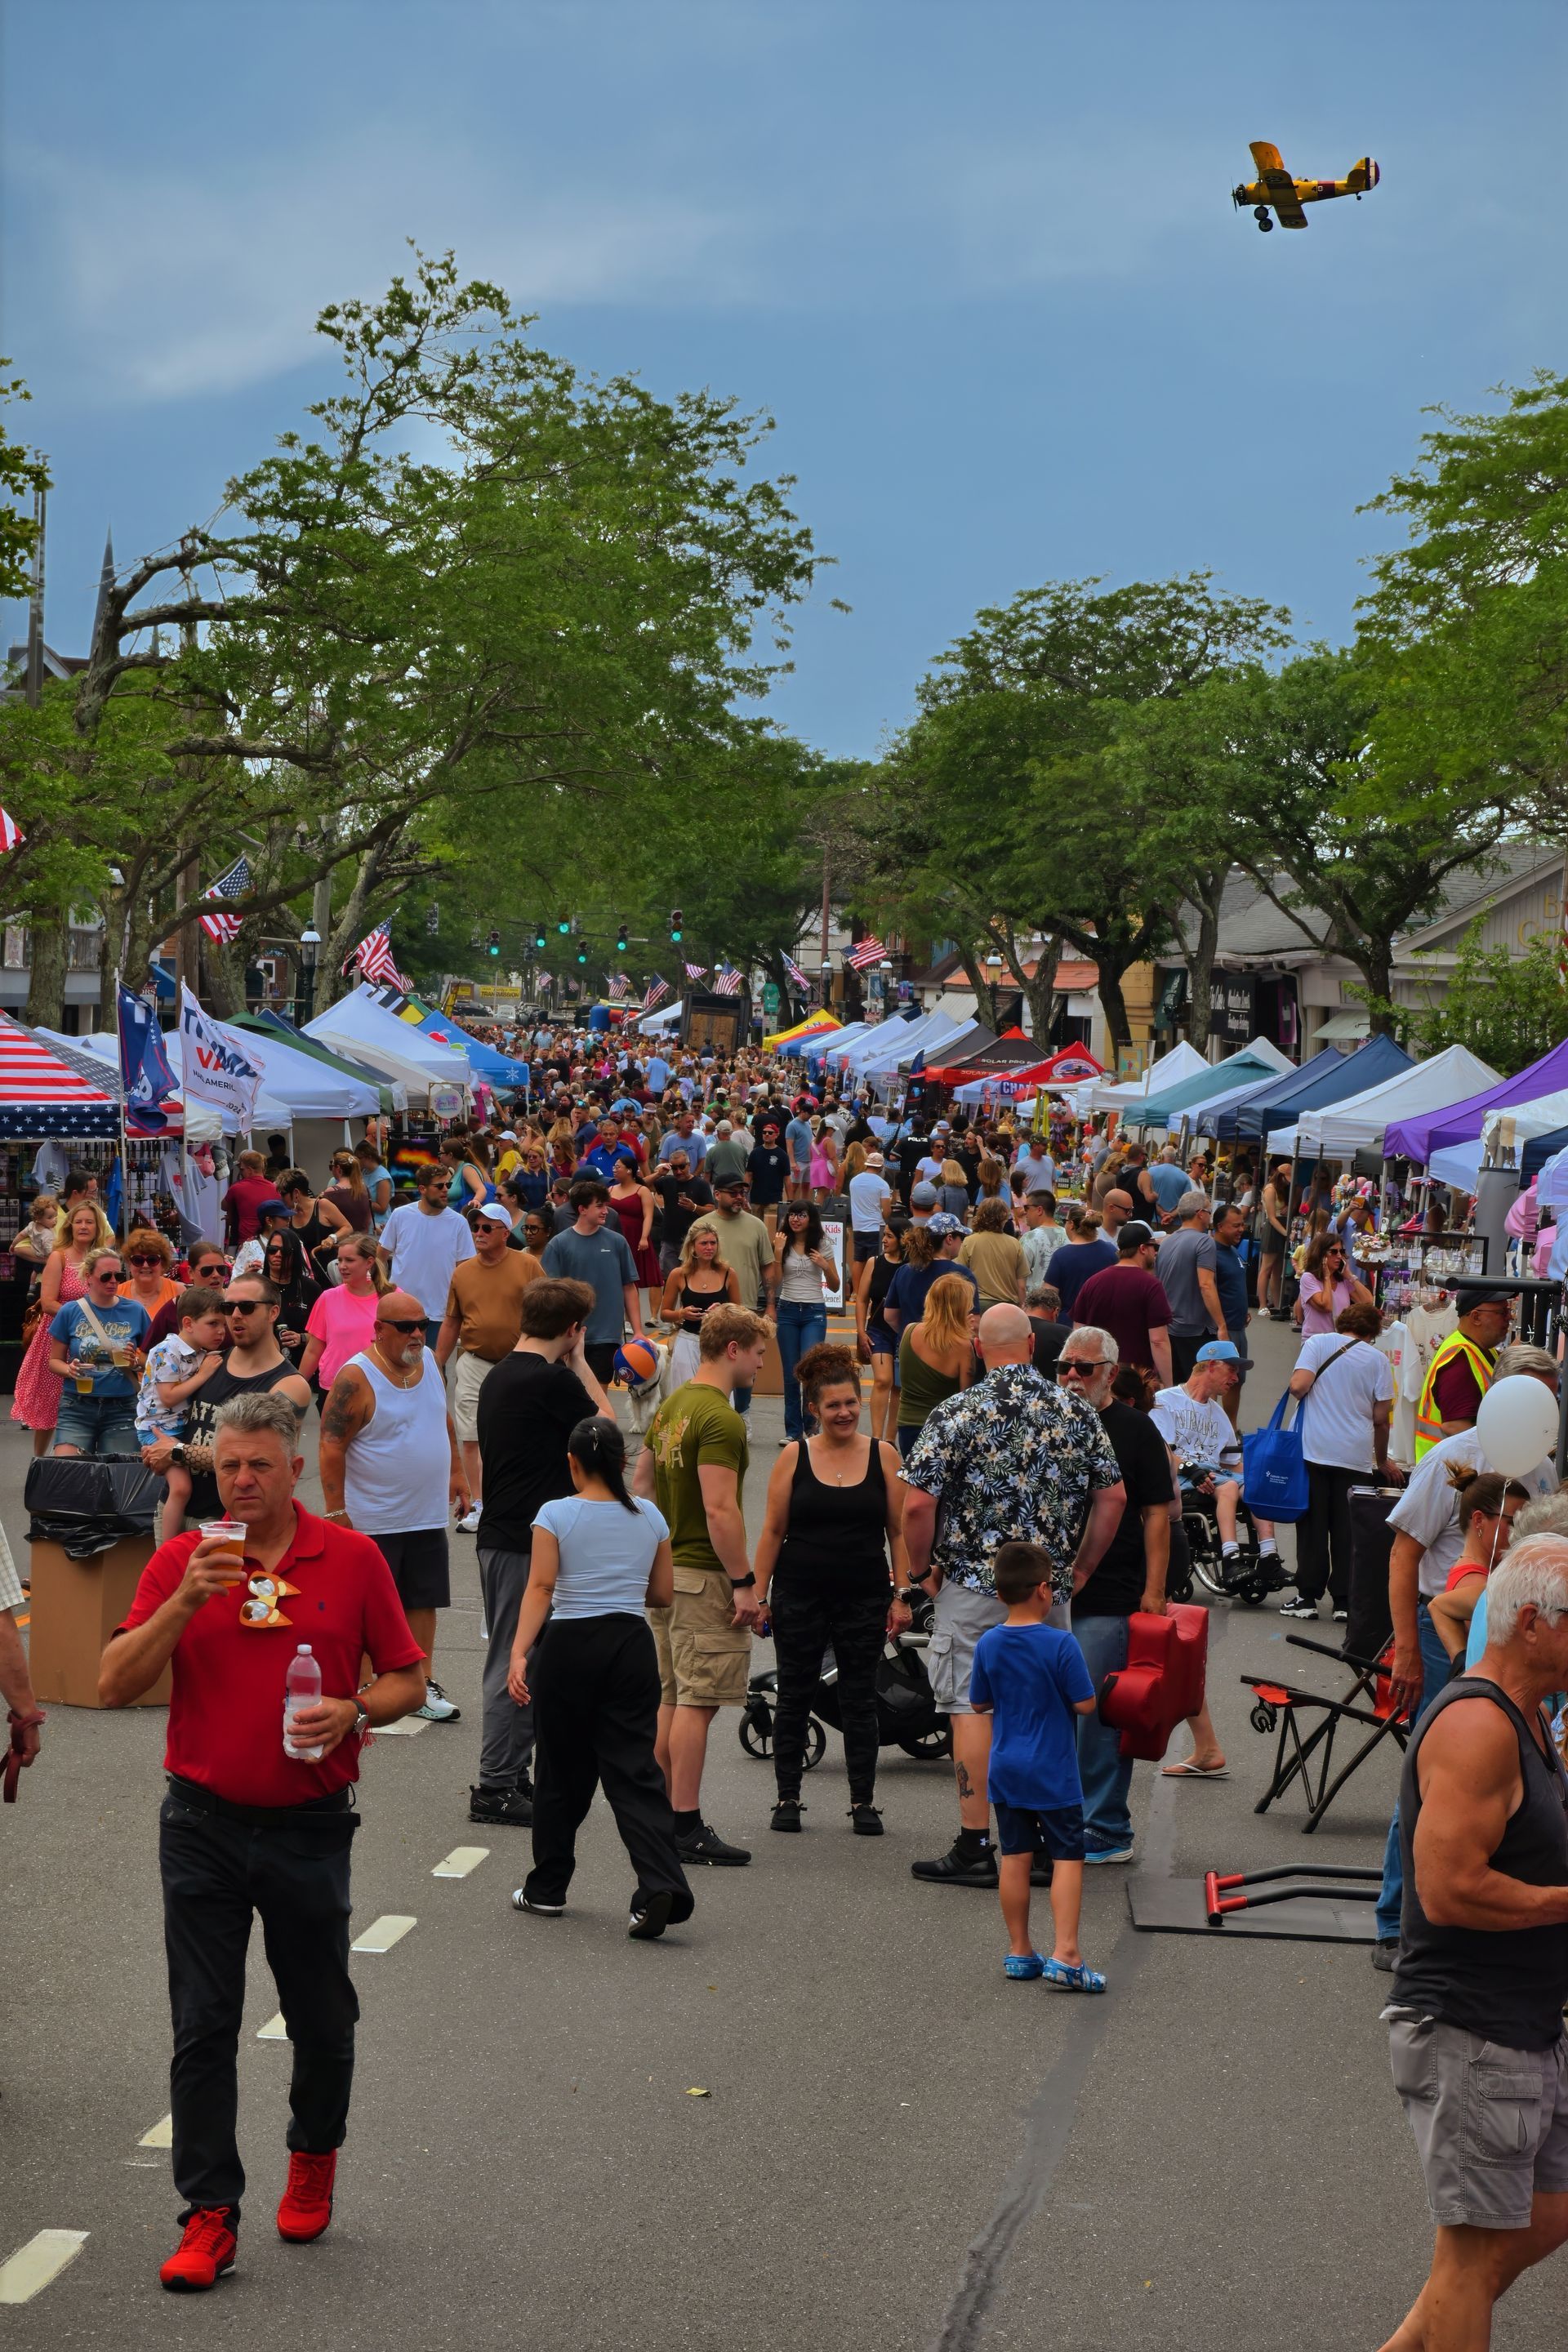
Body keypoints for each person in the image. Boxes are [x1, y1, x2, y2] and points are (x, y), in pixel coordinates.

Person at [99, 1390, 428, 2293]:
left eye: (258, 1467)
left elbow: (408, 1677)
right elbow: (113, 1681)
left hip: (310, 1829)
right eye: (228, 1467)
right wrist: (182, 1603)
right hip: (199, 1824)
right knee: (202, 2025)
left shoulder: (353, 1559)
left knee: (322, 2020)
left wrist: (354, 1709)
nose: (241, 1482)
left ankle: (314, 2150)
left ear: (294, 1467)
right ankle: (209, 2215)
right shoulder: (182, 1560)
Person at [1379, 1535, 1568, 2352]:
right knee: (1468, 2260)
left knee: (1534, 2220)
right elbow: (1448, 1890)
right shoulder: (1475, 1725)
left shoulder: (1532, 1717)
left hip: (1526, 2024)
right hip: (1469, 2028)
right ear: (1532, 1623)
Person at [902, 1303, 1125, 1889]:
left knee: (969, 1707)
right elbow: (1113, 1497)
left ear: (979, 1346)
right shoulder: (1075, 1410)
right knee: (1048, 1708)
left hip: (974, 1584)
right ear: (1030, 1345)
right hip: (1046, 1589)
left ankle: (976, 1842)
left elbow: (918, 1503)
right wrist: (1080, 1569)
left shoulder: (958, 1411)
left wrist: (921, 1569)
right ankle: (1050, 1844)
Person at [1370, 1342, 1562, 1970]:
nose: (1544, 1407)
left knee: (1522, 1777)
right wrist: (1408, 1648)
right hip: (1454, 1613)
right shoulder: (1451, 1460)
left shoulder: (1542, 1469)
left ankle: (1496, 1892)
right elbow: (1403, 1555)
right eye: (1532, 1392)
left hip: (1526, 1628)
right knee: (1441, 1776)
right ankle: (1396, 1921)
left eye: (1550, 1396)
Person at [505, 1414, 693, 1936]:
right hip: (630, 1645)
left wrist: (520, 1654)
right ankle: (660, 1885)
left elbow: (541, 1589)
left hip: (569, 1646)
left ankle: (547, 1889)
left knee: (561, 1773)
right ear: (620, 1462)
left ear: (572, 1462)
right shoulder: (650, 1517)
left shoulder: (555, 1514)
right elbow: (660, 1595)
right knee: (635, 1771)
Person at [752, 1342, 911, 1836]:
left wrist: (901, 1595)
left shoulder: (884, 1455)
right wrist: (759, 1597)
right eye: (833, 1405)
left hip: (863, 1595)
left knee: (859, 1698)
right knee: (796, 1694)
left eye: (851, 1403)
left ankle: (863, 1802)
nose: (844, 1413)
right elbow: (772, 1531)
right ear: (814, 1409)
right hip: (798, 1593)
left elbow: (899, 1532)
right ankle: (787, 1799)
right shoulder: (794, 1457)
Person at [633, 1303, 770, 1869]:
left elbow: (641, 1485)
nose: (763, 1364)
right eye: (759, 1353)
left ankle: (664, 1813)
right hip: (704, 1574)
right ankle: (685, 1822)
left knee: (672, 1695)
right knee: (700, 1699)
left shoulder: (671, 1407)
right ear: (733, 1349)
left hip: (666, 1572)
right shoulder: (721, 1417)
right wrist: (744, 1582)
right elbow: (720, 1510)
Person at [469, 1277, 608, 1829]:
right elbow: (605, 1431)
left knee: (527, 1656)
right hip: (524, 1541)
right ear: (573, 1328)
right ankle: (496, 1786)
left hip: (509, 1535)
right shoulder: (550, 1380)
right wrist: (579, 1361)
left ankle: (510, 1773)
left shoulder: (503, 1373)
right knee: (516, 1657)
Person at [317, 1289, 470, 1724]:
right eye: (406, 1327)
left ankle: (421, 1685)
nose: (417, 1334)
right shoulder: (357, 1377)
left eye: (422, 1324)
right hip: (373, 1519)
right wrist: (335, 1512)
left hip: (424, 1514)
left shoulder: (429, 1366)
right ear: (379, 1330)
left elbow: (442, 1419)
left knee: (423, 1601)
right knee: (369, 1608)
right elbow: (330, 1445)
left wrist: (458, 1473)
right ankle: (366, 1690)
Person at [1056, 1327, 1176, 1864]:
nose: (1072, 1377)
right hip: (1049, 1596)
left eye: (1084, 1367)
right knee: (1054, 1714)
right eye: (1065, 1366)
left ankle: (1106, 1827)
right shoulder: (1049, 1425)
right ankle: (1065, 1819)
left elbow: (1157, 1514)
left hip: (1111, 1595)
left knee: (1098, 1716)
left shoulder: (1133, 1429)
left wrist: (1154, 1590)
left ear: (1110, 1371)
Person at [970, 1540, 1104, 1989]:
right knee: (1067, 1856)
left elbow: (979, 1702)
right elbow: (1085, 1704)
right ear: (1045, 1590)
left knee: (1014, 1857)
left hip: (1006, 1768)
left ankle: (1020, 1951)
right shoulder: (1061, 1644)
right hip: (1053, 1770)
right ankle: (1066, 1952)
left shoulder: (989, 1642)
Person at [1281, 1301, 1400, 1623]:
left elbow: (1298, 1386)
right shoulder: (1378, 1361)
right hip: (1354, 1455)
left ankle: (1307, 1597)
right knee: (1347, 1531)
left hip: (1313, 1449)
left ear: (1341, 1323)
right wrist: (1381, 1460)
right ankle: (1344, 1602)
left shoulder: (1318, 1343)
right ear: (1372, 1334)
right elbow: (1380, 1418)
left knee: (1312, 1526)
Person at [434, 1203, 543, 1530]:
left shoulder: (528, 1266)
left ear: (505, 1233)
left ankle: (523, 1499)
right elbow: (452, 1321)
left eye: (487, 1228)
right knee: (470, 1436)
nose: (478, 1234)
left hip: (520, 1363)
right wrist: (436, 1365)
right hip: (474, 1361)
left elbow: (546, 1311)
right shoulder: (462, 1272)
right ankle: (480, 1504)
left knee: (522, 1434)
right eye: (475, 1228)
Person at [11, 1198, 109, 1454]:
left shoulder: (103, 1259)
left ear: (98, 1227)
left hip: (94, 1339)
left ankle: (81, 1459)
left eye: (89, 1222)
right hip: (58, 1336)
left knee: (89, 1400)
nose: (84, 1226)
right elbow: (48, 1302)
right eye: (78, 1221)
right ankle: (40, 1461)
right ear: (70, 1226)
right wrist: (82, 1315)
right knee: (50, 1404)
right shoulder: (59, 1256)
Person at [1151, 1341, 1252, 1573]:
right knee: (1227, 1487)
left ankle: (1269, 1556)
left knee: (1256, 1489)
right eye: (1232, 1370)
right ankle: (1231, 1558)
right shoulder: (1165, 1401)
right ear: (1212, 1365)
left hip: (1215, 1474)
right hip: (1182, 1475)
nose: (1236, 1379)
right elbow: (1161, 1453)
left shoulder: (1219, 1414)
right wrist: (1190, 1468)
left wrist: (1259, 1477)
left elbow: (1231, 1463)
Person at [136, 1286, 229, 1536]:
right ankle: (168, 1550)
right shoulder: (165, 1352)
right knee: (181, 1489)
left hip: (180, 1429)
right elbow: (168, 1398)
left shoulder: (200, 1353)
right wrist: (205, 1374)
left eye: (223, 1323)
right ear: (188, 1323)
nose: (221, 1331)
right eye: (213, 1324)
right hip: (157, 1430)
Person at [49, 1242, 151, 1456]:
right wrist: (69, 1369)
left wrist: (136, 1361)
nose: (113, 1282)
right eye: (106, 1276)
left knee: (117, 1475)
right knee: (68, 1468)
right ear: (89, 1277)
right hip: (77, 1405)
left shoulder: (135, 1310)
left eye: (118, 1276)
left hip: (122, 1406)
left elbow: (153, 1358)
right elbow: (54, 1361)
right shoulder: (70, 1311)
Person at [540, 1179, 645, 1385]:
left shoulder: (617, 1242)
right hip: (568, 1337)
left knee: (599, 1398)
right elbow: (551, 1296)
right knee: (571, 1397)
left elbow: (629, 1287)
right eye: (599, 1206)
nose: (606, 1211)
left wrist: (638, 1331)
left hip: (607, 1337)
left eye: (606, 1205)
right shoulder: (558, 1245)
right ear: (582, 1209)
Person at [1426, 1468, 1529, 1662]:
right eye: (1514, 1521)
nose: (1521, 1531)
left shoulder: (1480, 1571)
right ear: (1479, 1520)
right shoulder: (1474, 1580)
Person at [379, 1161, 476, 1348]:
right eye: (439, 1186)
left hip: (440, 1313)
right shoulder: (400, 1215)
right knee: (398, 1367)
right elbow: (380, 1256)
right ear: (422, 1189)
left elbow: (466, 1270)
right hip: (400, 1309)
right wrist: (382, 1288)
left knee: (433, 1368)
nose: (445, 1190)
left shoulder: (459, 1223)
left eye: (448, 1185)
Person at [1414, 1287, 1517, 1458]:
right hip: (1451, 1474)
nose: (1510, 1317)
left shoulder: (1482, 1349)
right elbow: (1454, 1427)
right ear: (1476, 1317)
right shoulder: (1459, 1358)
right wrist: (1502, 1456)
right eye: (1502, 1312)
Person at [1071, 1218, 1173, 1383]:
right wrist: (1168, 1385)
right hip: (1135, 1379)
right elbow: (1158, 1341)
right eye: (1154, 1247)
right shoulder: (1151, 1286)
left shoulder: (1093, 1282)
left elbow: (1078, 1332)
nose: (1156, 1253)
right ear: (1142, 1248)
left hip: (1098, 1375)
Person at [772, 1200, 840, 1446]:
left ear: (811, 1218)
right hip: (788, 1309)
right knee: (791, 1374)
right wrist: (778, 1253)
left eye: (801, 1215)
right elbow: (775, 1282)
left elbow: (835, 1285)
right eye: (792, 1214)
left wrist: (824, 1266)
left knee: (809, 1372)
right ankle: (792, 1431)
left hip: (814, 1311)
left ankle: (812, 1428)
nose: (795, 1219)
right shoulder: (782, 1241)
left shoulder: (822, 1243)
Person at [896, 1272, 975, 1461]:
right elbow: (966, 1398)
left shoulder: (910, 1330)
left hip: (907, 1424)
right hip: (942, 1428)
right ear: (960, 1307)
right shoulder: (963, 1346)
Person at [299, 1234, 385, 1407]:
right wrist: (296, 1386)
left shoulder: (392, 1297)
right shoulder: (328, 1298)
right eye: (339, 1260)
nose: (342, 1266)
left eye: (350, 1260)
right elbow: (314, 1350)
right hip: (333, 1389)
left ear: (369, 1262)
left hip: (378, 1388)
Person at [658, 1223, 740, 1387]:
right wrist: (681, 1314)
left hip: (719, 1343)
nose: (709, 1247)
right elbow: (664, 1314)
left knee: (719, 1395)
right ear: (692, 1247)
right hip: (688, 1341)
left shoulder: (728, 1273)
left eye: (713, 1243)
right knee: (686, 1394)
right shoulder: (679, 1275)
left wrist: (723, 1311)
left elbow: (739, 1313)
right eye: (704, 1243)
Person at [1156, 1192, 1227, 1379]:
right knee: (1200, 1386)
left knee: (1177, 1387)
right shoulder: (1204, 1242)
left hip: (1170, 1327)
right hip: (1196, 1328)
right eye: (1209, 1211)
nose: (1210, 1215)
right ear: (1200, 1213)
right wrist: (1221, 1325)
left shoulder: (1166, 1242)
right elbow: (1206, 1285)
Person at [854, 1216, 907, 1444]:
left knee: (898, 1385)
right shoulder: (874, 1262)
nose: (884, 1240)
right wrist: (860, 1331)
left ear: (902, 1240)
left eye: (889, 1236)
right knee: (883, 1380)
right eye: (884, 1235)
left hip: (905, 1330)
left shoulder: (912, 1265)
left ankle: (889, 1439)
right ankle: (876, 1438)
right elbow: (861, 1299)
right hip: (878, 1329)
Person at [1294, 1227, 1374, 1339]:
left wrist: (1350, 1276)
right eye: (1333, 1251)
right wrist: (1326, 1277)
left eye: (1341, 1251)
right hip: (1315, 1342)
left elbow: (1368, 1302)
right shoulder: (1308, 1278)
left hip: (1339, 1343)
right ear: (1321, 1254)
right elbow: (1326, 1306)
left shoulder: (1344, 1280)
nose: (1339, 1256)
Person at [1045, 1204, 1116, 1317]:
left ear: (1071, 1224)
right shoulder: (1111, 1251)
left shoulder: (1061, 1256)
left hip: (1069, 1323)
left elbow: (1048, 1296)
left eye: (1065, 1221)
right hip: (1104, 1322)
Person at [958, 1197, 1027, 1312]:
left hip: (977, 1305)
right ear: (1004, 1219)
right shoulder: (1015, 1244)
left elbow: (959, 1277)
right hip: (1007, 1307)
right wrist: (1022, 1310)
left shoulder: (969, 1242)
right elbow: (1021, 1286)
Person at [606, 1152, 660, 1292]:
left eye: (618, 1167)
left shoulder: (642, 1190)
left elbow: (648, 1216)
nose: (614, 1169)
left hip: (635, 1235)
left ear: (629, 1170)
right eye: (614, 1167)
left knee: (633, 1278)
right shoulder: (610, 1189)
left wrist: (644, 1238)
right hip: (614, 1234)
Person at [120, 1227, 181, 1321]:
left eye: (152, 1260)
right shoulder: (117, 1294)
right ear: (129, 1263)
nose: (145, 1265)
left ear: (163, 1263)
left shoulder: (178, 1292)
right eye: (138, 1260)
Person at [220, 1149, 278, 1250]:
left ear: (250, 1170)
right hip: (270, 1241)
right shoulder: (276, 1189)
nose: (240, 1172)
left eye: (242, 1169)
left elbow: (223, 1206)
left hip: (245, 1242)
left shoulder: (237, 1187)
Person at [847, 1148, 893, 1263]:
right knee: (873, 1262)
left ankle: (857, 1282)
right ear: (881, 1167)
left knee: (858, 1260)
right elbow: (887, 1211)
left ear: (867, 1164)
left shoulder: (854, 1181)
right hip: (875, 1227)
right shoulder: (882, 1184)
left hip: (858, 1226)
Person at [746, 1118, 790, 1235]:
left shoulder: (782, 1155)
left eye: (770, 1133)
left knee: (770, 1231)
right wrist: (744, 1193)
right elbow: (749, 1174)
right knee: (755, 1230)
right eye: (764, 1132)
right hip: (756, 1198)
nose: (766, 1134)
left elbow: (787, 1179)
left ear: (776, 1135)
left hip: (773, 1199)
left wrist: (790, 1200)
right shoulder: (755, 1153)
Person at [1019, 1192, 1064, 1290]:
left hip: (1034, 1301)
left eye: (1027, 1208)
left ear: (1039, 1210)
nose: (1024, 1212)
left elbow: (1019, 1278)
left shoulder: (1029, 1238)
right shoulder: (1069, 1236)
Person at [1140, 1145, 1192, 1227]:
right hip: (1176, 1223)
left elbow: (1145, 1195)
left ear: (1162, 1156)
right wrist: (1171, 1215)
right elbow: (1187, 1202)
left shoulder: (1151, 1172)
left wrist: (1161, 1213)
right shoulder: (1184, 1176)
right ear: (1174, 1159)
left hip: (1155, 1220)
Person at [354, 1137, 394, 1232]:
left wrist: (360, 1200)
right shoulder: (364, 1172)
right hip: (367, 1224)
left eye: (359, 1158)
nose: (357, 1161)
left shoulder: (382, 1178)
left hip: (379, 1226)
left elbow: (382, 1207)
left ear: (369, 1157)